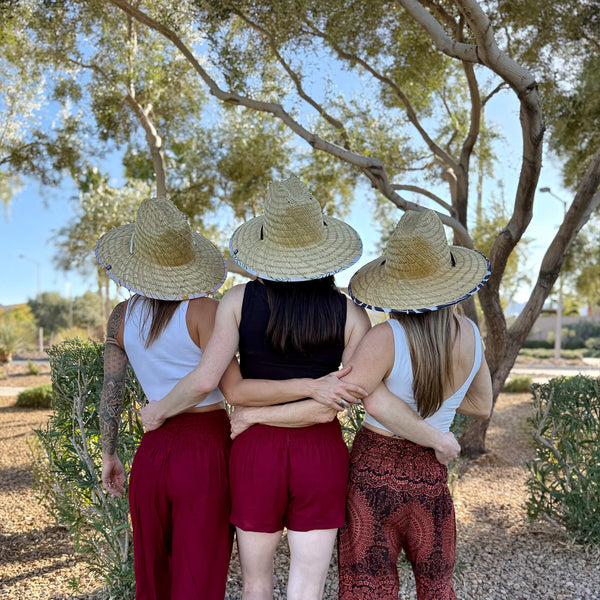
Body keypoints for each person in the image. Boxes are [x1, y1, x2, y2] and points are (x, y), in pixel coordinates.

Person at [141, 177, 460, 600]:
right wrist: (312, 386)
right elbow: (330, 407)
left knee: (256, 581)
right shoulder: (351, 313)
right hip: (321, 454)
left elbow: (231, 389)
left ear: (266, 246)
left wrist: (256, 413)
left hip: (255, 453)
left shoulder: (236, 301)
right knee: (307, 584)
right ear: (323, 248)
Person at [97, 196, 364, 600]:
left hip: (204, 451)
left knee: (194, 575)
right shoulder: (350, 315)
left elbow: (116, 387)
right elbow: (338, 397)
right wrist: (312, 386)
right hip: (268, 448)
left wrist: (111, 451)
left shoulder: (133, 314)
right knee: (272, 580)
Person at [335, 208, 493, 600]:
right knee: (437, 585)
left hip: (374, 471)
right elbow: (481, 404)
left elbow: (365, 398)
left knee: (369, 586)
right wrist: (441, 411)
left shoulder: (385, 336)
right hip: (430, 474)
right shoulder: (471, 334)